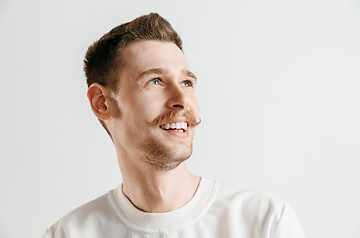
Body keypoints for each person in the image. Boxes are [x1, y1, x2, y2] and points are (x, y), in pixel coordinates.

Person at [42, 13, 305, 238]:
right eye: (155, 81)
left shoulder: (264, 222)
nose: (182, 101)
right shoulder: (69, 233)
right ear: (102, 103)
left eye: (187, 83)